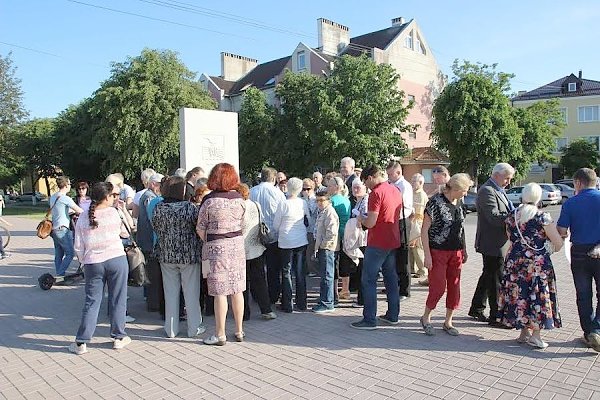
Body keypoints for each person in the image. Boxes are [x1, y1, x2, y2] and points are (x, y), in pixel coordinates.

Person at [498, 183, 563, 348]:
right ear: (538, 197)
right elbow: (558, 242)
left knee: (519, 294)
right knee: (537, 295)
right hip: (536, 264)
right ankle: (535, 334)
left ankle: (523, 331)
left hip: (514, 261)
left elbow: (510, 237)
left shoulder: (512, 216)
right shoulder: (543, 217)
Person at [69, 182, 131, 354]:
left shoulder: (83, 216)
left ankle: (82, 341)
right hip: (116, 258)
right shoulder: (114, 213)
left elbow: (78, 245)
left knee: (92, 301)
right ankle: (118, 337)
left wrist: (83, 260)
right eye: (112, 195)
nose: (114, 198)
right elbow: (126, 232)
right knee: (118, 298)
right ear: (106, 197)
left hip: (93, 262)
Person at [197, 163, 246, 345]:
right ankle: (240, 331)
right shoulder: (240, 199)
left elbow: (200, 228)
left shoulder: (209, 201)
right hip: (237, 247)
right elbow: (243, 225)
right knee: (237, 289)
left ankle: (220, 334)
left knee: (220, 292)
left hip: (216, 248)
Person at [152, 176, 205, 338]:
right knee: (191, 293)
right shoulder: (189, 208)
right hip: (188, 255)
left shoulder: (158, 208)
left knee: (170, 293)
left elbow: (155, 227)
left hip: (166, 255)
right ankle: (194, 327)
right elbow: (198, 228)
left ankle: (171, 329)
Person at [419, 173, 472, 336]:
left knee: (455, 287)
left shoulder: (460, 202)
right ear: (456, 188)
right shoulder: (435, 202)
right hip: (437, 251)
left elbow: (461, 228)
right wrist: (427, 255)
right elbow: (424, 230)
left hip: (455, 251)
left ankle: (448, 321)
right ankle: (426, 317)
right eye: (465, 190)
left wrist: (464, 249)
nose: (466, 194)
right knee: (438, 287)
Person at [351, 165, 403, 330]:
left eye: (366, 182)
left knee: (368, 280)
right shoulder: (395, 189)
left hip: (378, 241)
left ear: (371, 177)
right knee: (390, 278)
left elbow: (371, 222)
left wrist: (361, 218)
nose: (366, 186)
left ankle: (369, 319)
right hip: (392, 239)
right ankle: (393, 314)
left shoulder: (376, 193)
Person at [557, 168, 600, 352]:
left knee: (583, 295)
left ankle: (589, 332)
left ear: (578, 183)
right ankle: (597, 328)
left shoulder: (571, 203)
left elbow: (562, 230)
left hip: (579, 252)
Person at [469, 163, 515, 328]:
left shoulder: (499, 190)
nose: (508, 182)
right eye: (507, 178)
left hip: (499, 242)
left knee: (488, 275)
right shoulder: (487, 191)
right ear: (497, 175)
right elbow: (494, 217)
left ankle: (476, 308)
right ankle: (495, 316)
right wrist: (515, 216)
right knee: (496, 279)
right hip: (492, 243)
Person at [238, 183, 277, 321]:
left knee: (242, 284)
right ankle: (266, 310)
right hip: (257, 247)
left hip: (241, 249)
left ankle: (244, 313)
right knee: (260, 281)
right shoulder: (255, 205)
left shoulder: (238, 207)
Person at [249, 167, 286, 304]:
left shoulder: (252, 191)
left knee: (256, 268)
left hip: (255, 233)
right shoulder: (277, 193)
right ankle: (273, 295)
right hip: (273, 234)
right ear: (274, 178)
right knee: (273, 268)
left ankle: (257, 294)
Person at [273, 177, 310, 312]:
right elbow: (308, 220)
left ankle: (287, 304)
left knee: (286, 272)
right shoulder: (303, 203)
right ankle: (302, 303)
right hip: (300, 240)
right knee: (300, 272)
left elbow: (276, 225)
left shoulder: (283, 204)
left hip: (286, 241)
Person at [386, 160, 414, 302]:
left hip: (402, 221)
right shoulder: (390, 184)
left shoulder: (405, 186)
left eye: (391, 174)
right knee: (392, 255)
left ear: (398, 172)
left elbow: (407, 207)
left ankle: (405, 289)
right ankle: (394, 284)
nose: (389, 177)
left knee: (403, 256)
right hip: (391, 222)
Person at [137, 173, 164, 312]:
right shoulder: (149, 197)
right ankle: (152, 302)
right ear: (153, 184)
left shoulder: (148, 196)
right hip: (149, 240)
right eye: (160, 184)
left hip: (147, 239)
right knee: (152, 273)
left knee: (150, 271)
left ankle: (151, 299)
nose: (161, 187)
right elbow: (153, 219)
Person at [420, 166, 450, 287]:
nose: (435, 181)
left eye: (438, 178)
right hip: (434, 230)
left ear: (445, 175)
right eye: (434, 178)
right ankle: (431, 278)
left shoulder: (452, 188)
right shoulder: (440, 189)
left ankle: (443, 282)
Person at [49, 176, 84, 277]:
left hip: (54, 229)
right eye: (69, 184)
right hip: (63, 229)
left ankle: (59, 274)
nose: (70, 186)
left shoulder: (53, 197)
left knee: (58, 254)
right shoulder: (65, 198)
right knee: (70, 253)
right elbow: (80, 210)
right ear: (65, 185)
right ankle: (60, 274)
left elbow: (58, 210)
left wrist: (69, 211)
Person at [312, 190, 340, 313]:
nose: (319, 203)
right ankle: (324, 299)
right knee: (324, 275)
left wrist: (323, 245)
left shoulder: (330, 212)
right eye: (317, 200)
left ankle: (328, 302)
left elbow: (332, 233)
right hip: (322, 247)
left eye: (322, 200)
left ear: (328, 201)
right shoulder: (322, 211)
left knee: (327, 275)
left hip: (327, 248)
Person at [328, 176, 352, 301]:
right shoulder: (346, 200)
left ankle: (334, 293)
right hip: (346, 233)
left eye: (330, 185)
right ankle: (345, 290)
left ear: (336, 187)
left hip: (335, 235)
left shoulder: (331, 201)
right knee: (344, 262)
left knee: (334, 263)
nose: (328, 187)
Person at [348, 179, 369, 307]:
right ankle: (361, 298)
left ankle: (362, 300)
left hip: (364, 238)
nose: (355, 190)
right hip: (359, 237)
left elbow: (365, 218)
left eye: (358, 187)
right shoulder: (359, 200)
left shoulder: (366, 200)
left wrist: (359, 217)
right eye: (353, 187)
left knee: (363, 269)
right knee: (359, 269)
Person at [410, 173, 428, 279]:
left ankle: (422, 270)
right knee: (411, 249)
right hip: (412, 223)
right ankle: (413, 268)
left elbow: (419, 213)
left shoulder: (421, 195)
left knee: (417, 248)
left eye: (414, 181)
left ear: (420, 183)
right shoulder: (413, 193)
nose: (412, 183)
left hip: (418, 224)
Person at [301, 178, 319, 277]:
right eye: (303, 189)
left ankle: (313, 269)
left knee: (310, 250)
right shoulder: (302, 199)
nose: (305, 191)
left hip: (312, 228)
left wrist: (306, 200)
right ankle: (307, 268)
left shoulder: (314, 200)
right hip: (304, 229)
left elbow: (312, 212)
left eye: (308, 189)